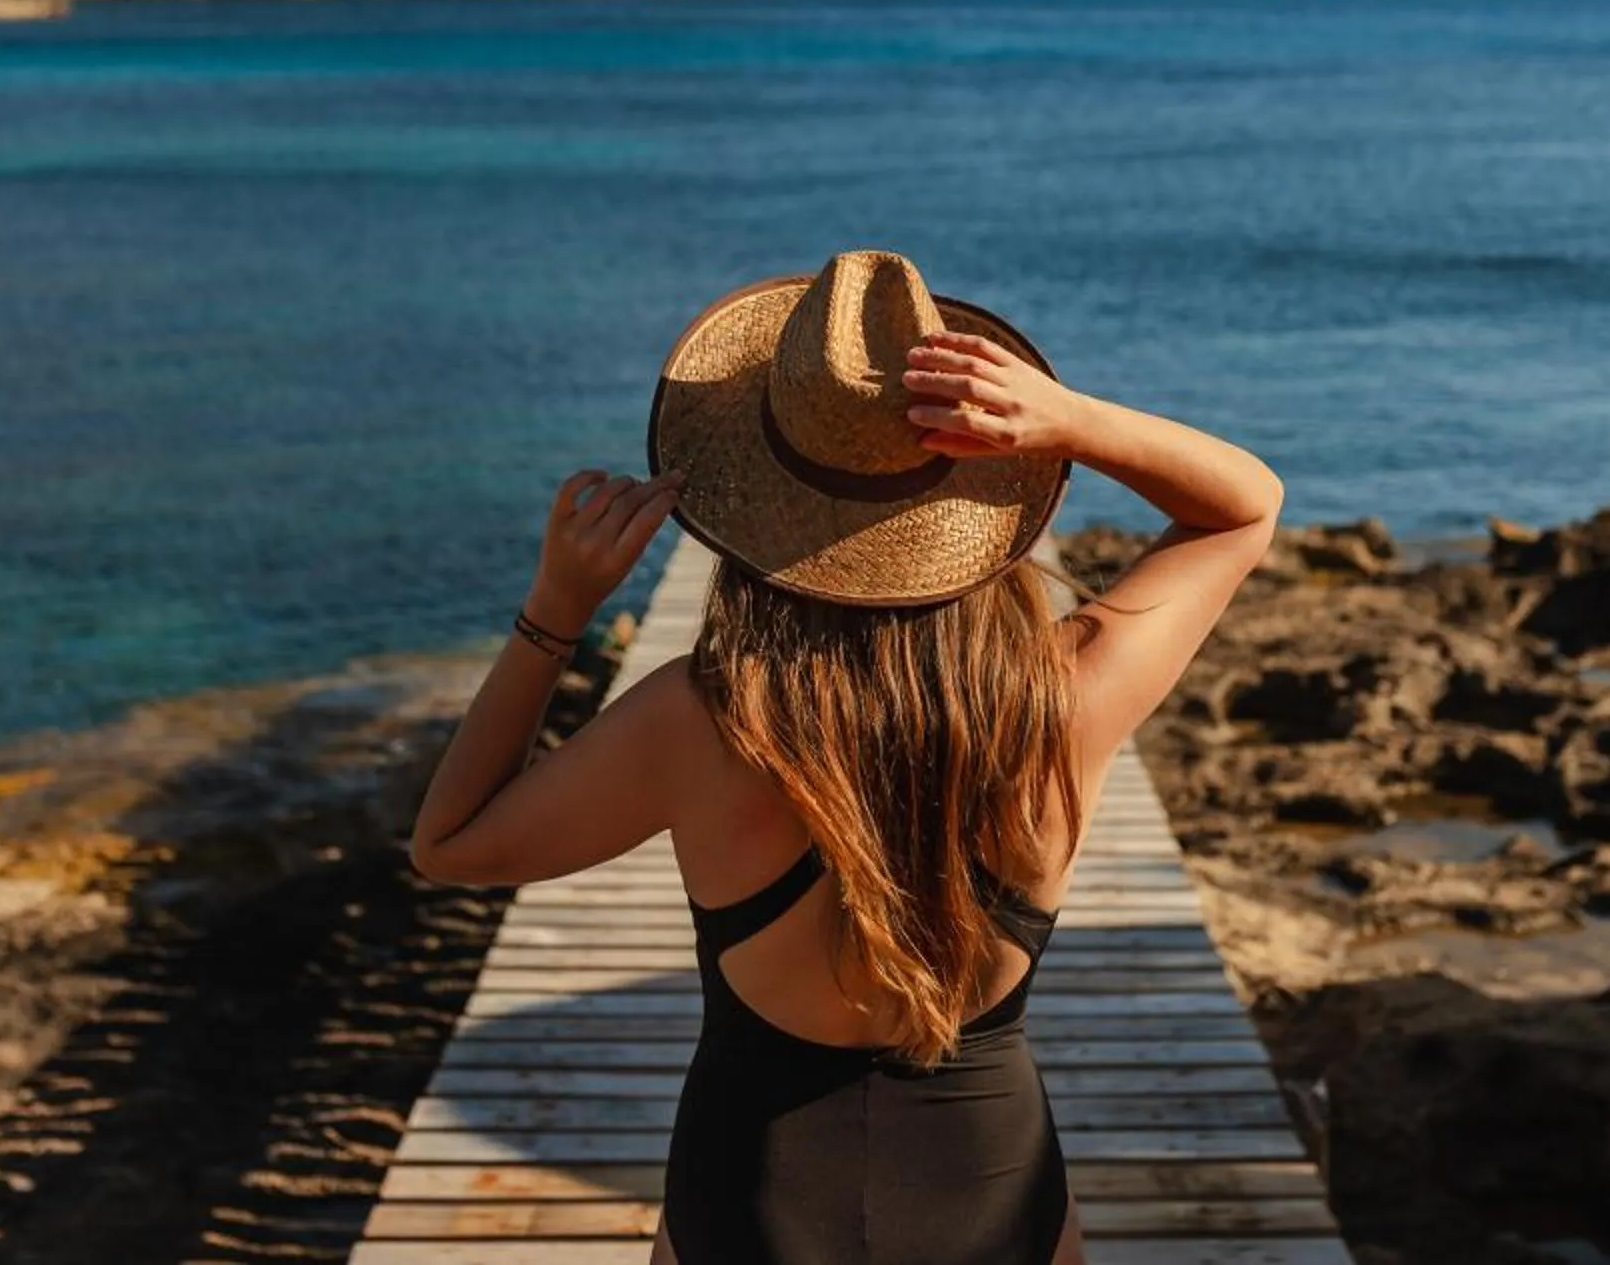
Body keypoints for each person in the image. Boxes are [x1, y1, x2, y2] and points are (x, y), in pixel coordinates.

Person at [410, 249, 1283, 1264]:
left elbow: (452, 843)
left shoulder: (703, 716)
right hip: (991, 1193)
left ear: (756, 520)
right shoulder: (1061, 703)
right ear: (985, 505)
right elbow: (1245, 505)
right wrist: (1068, 420)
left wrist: (555, 614)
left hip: (751, 1195)